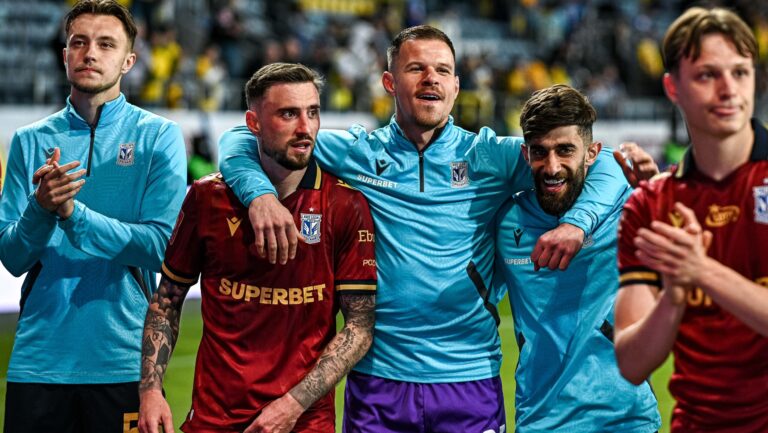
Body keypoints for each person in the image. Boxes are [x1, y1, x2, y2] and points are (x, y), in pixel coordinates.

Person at [218, 26, 629, 432]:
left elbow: (605, 162)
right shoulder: (358, 153)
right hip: (378, 380)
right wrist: (260, 196)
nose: (431, 78)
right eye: (416, 68)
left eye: (443, 70)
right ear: (389, 82)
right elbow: (240, 137)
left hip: (469, 379)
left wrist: (576, 223)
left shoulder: (489, 156)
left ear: (456, 87)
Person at [137, 63, 377, 433]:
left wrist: (293, 404)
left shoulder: (345, 205)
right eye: (288, 114)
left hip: (305, 422)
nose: (305, 127)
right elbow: (168, 298)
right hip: (214, 420)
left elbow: (359, 325)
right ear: (254, 123)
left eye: (313, 112)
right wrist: (151, 390)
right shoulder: (207, 197)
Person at [0, 1, 187, 432]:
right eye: (79, 43)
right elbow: (11, 257)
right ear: (65, 54)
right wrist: (40, 208)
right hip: (38, 361)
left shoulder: (159, 136)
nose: (90, 53)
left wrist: (71, 213)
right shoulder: (29, 140)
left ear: (128, 61)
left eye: (106, 44)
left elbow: (162, 249)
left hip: (122, 360)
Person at [614, 7, 768, 433]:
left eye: (740, 73)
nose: (729, 89)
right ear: (673, 87)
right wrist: (674, 296)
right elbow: (632, 363)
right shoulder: (651, 205)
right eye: (707, 75)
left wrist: (702, 272)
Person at [494, 84, 660, 433]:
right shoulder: (506, 223)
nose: (552, 167)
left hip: (627, 419)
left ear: (592, 152)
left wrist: (662, 193)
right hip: (541, 420)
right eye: (540, 152)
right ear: (525, 154)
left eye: (565, 150)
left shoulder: (627, 208)